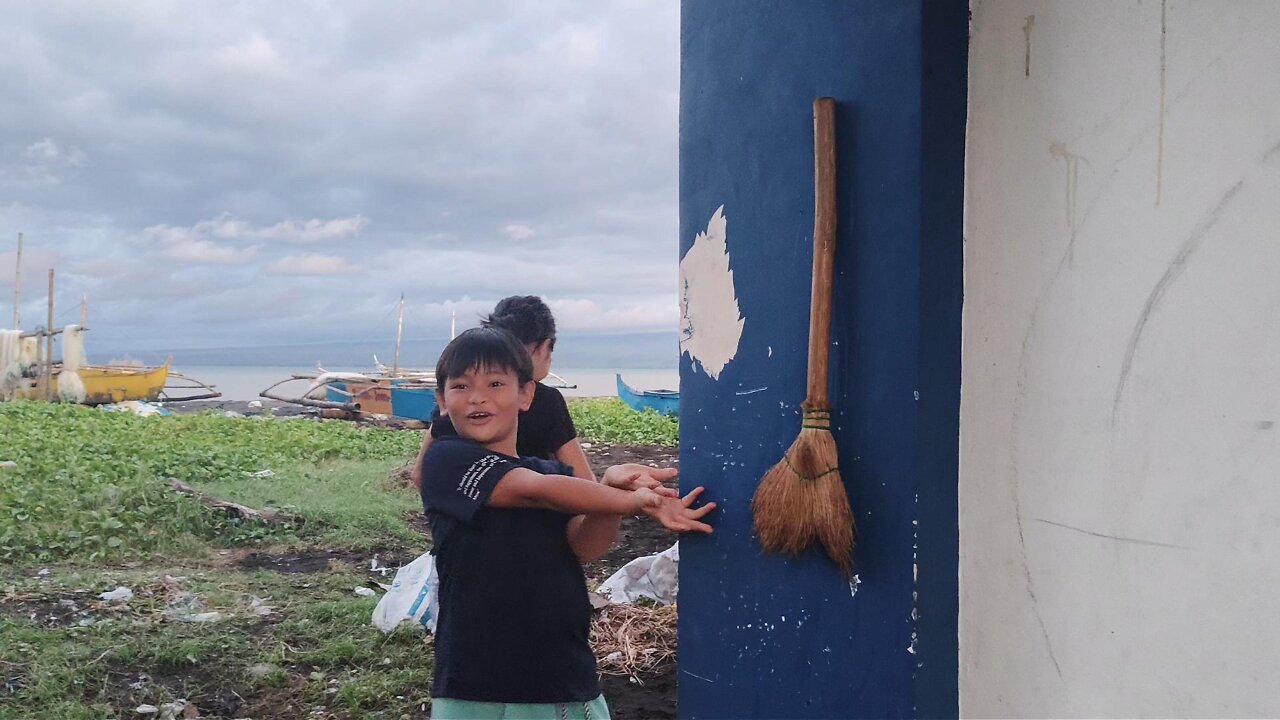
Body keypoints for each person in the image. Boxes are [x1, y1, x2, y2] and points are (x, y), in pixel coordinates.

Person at [419, 327, 714, 720]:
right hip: (476, 683)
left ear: (525, 395)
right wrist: (631, 501)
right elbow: (534, 490)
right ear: (441, 401)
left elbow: (585, 547)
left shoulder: (551, 472)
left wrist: (607, 492)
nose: (478, 397)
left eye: (495, 383)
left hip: (562, 673)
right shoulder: (447, 462)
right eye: (460, 386)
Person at [411, 295, 593, 485]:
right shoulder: (546, 400)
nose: (479, 399)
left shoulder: (459, 402)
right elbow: (586, 483)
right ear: (544, 346)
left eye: (495, 384)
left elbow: (419, 475)